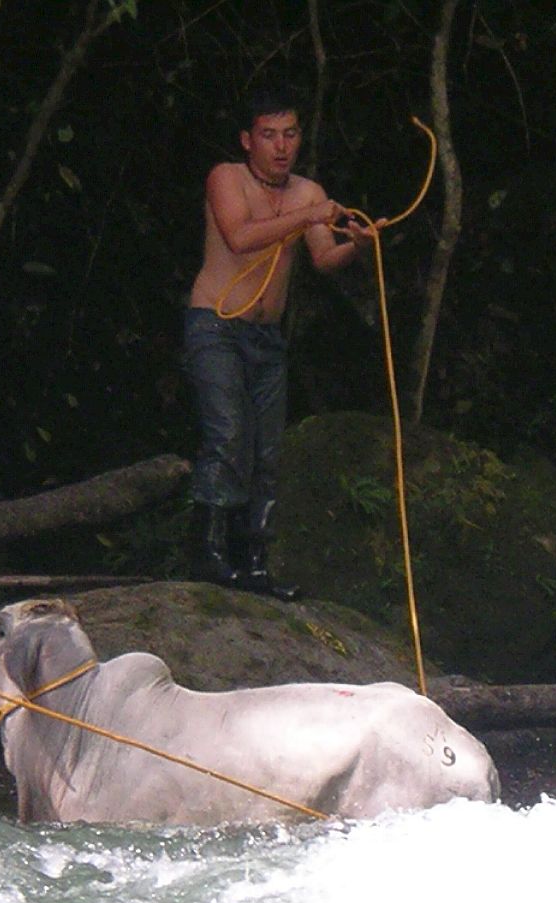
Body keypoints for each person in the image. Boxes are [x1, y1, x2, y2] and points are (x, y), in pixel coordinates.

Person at [181, 85, 379, 600]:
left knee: (267, 450)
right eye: (269, 135)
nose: (281, 146)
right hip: (216, 325)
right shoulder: (227, 177)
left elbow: (323, 258)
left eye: (290, 134)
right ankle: (207, 554)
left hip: (267, 337)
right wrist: (307, 218)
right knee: (227, 434)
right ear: (248, 140)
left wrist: (356, 246)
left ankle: (254, 563)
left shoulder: (307, 193)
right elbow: (240, 236)